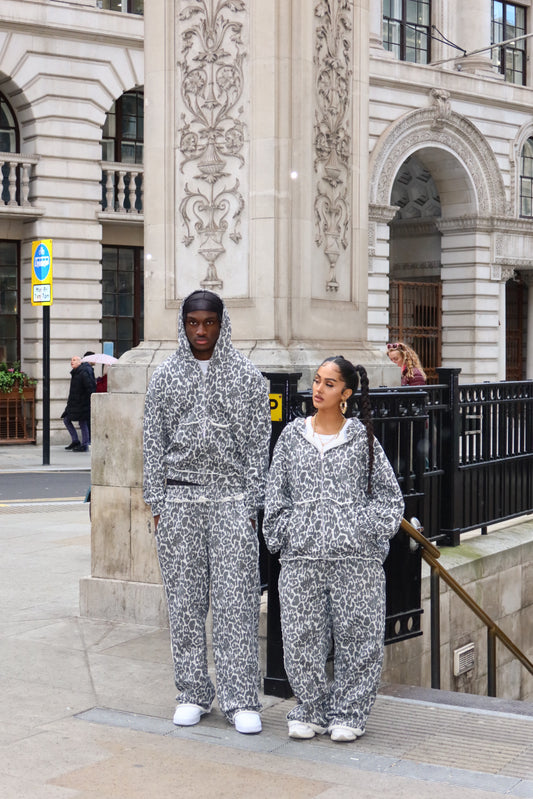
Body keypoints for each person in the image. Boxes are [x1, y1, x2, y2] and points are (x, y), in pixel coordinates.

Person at [143, 290, 271, 735]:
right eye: (194, 322)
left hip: (232, 501)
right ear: (183, 323)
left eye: (209, 323)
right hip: (179, 502)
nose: (201, 331)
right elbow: (152, 444)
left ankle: (239, 699)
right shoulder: (164, 378)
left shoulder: (248, 378)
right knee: (185, 603)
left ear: (222, 323)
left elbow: (259, 448)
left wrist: (251, 507)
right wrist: (157, 503)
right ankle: (193, 692)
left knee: (237, 602)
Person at [263, 356, 404, 743]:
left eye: (328, 383)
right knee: (300, 639)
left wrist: (363, 536)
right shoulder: (292, 437)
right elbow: (276, 495)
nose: (318, 389)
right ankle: (310, 709)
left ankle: (350, 713)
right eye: (317, 381)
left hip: (355, 563)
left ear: (346, 393)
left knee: (359, 640)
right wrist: (284, 537)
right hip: (301, 560)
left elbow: (390, 501)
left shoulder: (362, 440)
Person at [61, 355, 96, 452]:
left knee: (82, 422)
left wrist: (88, 400)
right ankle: (76, 441)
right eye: (71, 360)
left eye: (74, 360)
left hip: (82, 403)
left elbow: (90, 388)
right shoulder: (76, 372)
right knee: (67, 419)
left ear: (79, 362)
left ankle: (85, 444)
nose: (72, 361)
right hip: (74, 403)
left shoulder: (83, 372)